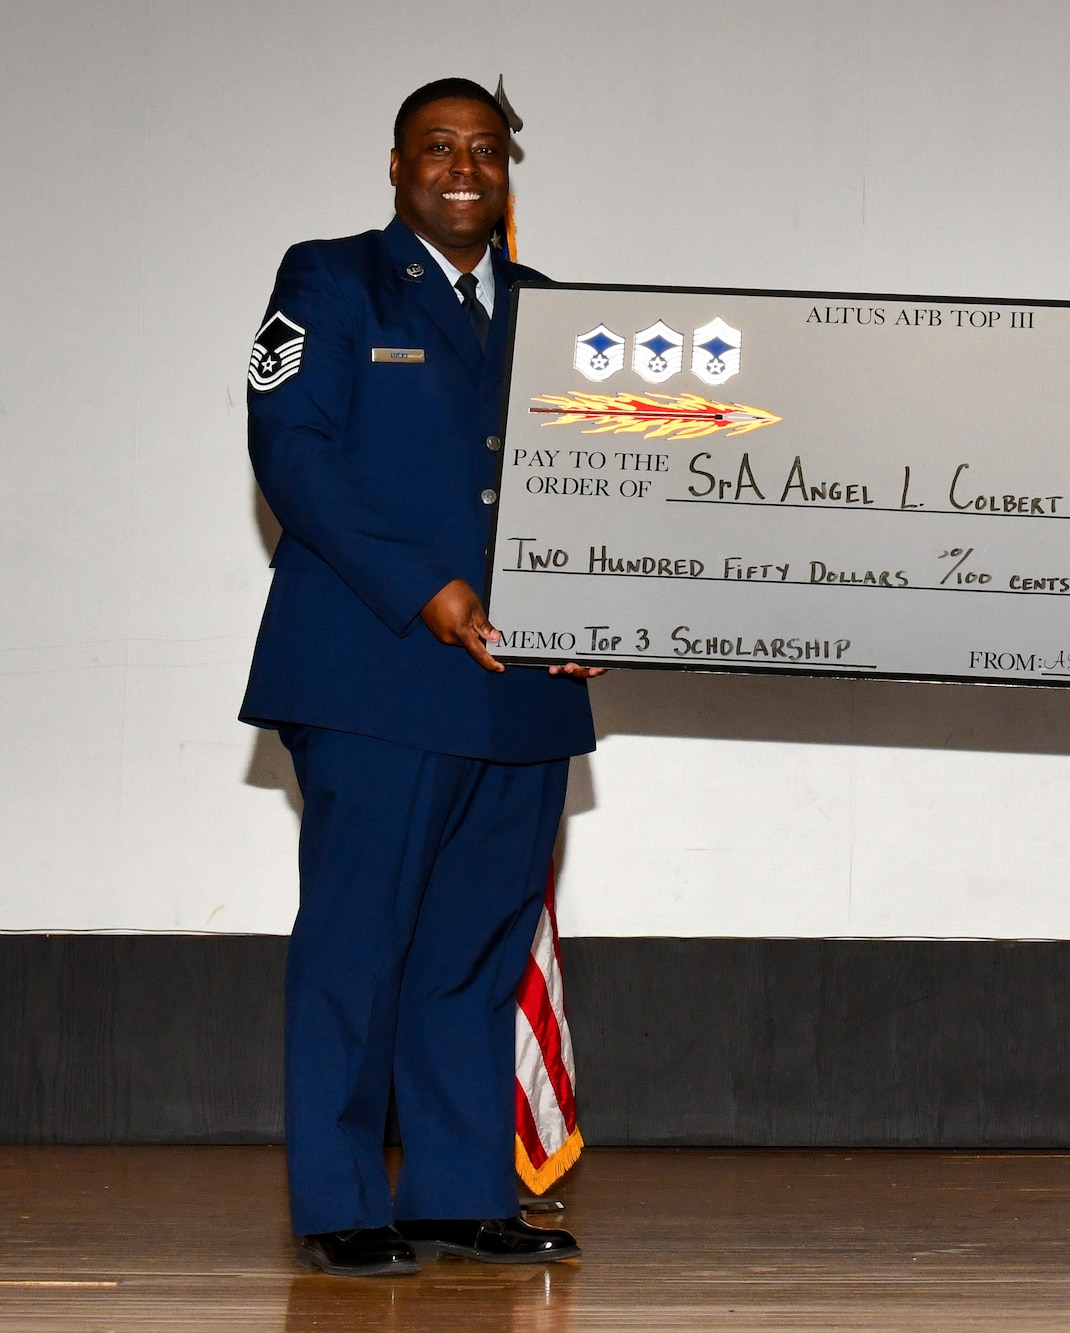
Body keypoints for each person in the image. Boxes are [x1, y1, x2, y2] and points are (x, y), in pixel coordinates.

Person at [241, 78, 603, 1277]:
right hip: (377, 671)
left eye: (485, 150)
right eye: (438, 147)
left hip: (521, 687)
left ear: (508, 176)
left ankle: (456, 1190)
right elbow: (292, 453)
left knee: (472, 952)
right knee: (358, 945)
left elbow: (614, 483)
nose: (463, 167)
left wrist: (612, 597)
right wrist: (427, 587)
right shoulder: (331, 279)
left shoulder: (561, 312)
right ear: (394, 166)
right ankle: (342, 1203)